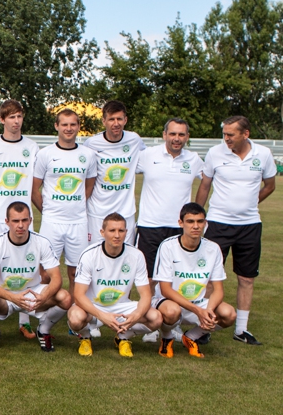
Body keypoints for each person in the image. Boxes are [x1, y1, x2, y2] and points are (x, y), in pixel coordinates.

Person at [195, 115, 276, 345]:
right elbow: (205, 185)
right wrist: (197, 217)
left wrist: (250, 203)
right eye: (224, 134)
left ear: (245, 134)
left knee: (246, 278)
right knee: (208, 277)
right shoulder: (215, 153)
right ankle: (204, 327)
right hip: (218, 224)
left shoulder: (263, 154)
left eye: (230, 134)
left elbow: (270, 185)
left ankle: (241, 330)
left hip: (250, 225)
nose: (226, 138)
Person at [0, 100, 40, 340]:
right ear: (2, 119)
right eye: (11, 117)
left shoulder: (32, 147)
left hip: (22, 218)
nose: (16, 121)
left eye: (19, 116)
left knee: (25, 265)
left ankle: (24, 320)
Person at [0, 202, 72, 352]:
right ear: (7, 222)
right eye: (15, 221)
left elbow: (56, 278)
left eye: (24, 220)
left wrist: (43, 296)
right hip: (6, 296)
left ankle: (44, 330)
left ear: (30, 220)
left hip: (32, 295)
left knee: (65, 298)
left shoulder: (41, 242)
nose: (20, 225)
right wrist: (13, 298)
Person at [68, 213, 161, 358]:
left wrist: (136, 315)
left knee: (156, 318)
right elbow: (79, 295)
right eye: (112, 230)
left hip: (122, 307)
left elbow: (145, 295)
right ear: (102, 232)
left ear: (126, 232)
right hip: (94, 307)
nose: (117, 235)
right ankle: (85, 337)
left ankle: (123, 337)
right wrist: (102, 316)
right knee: (75, 317)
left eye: (121, 230)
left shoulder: (136, 255)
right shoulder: (89, 255)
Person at [32, 108, 96, 308]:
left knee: (76, 272)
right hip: (51, 222)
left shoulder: (88, 155)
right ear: (56, 126)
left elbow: (89, 186)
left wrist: (75, 205)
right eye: (64, 124)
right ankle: (43, 312)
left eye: (73, 124)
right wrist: (48, 211)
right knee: (45, 272)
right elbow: (34, 189)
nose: (69, 128)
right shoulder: (45, 154)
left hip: (78, 222)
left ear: (78, 127)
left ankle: (75, 313)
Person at [155, 203, 236, 358]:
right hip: (169, 302)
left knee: (229, 314)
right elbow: (165, 289)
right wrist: (198, 311)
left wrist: (208, 311)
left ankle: (191, 337)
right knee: (172, 311)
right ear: (181, 223)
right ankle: (167, 338)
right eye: (190, 221)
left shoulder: (213, 249)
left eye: (200, 221)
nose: (196, 226)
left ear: (205, 223)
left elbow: (218, 289)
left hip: (199, 303)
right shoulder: (168, 246)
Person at [136, 118, 204, 289]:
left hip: (179, 227)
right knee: (149, 278)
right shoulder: (147, 155)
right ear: (164, 135)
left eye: (181, 134)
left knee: (176, 277)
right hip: (150, 225)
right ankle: (150, 307)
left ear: (187, 136)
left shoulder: (194, 159)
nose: (176, 138)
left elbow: (210, 180)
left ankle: (172, 307)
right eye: (172, 134)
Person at [84, 100, 146, 246]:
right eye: (111, 119)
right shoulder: (92, 143)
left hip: (126, 211)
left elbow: (148, 160)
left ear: (125, 120)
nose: (116, 123)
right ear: (104, 121)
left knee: (125, 253)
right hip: (98, 211)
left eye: (119, 119)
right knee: (96, 252)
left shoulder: (134, 140)